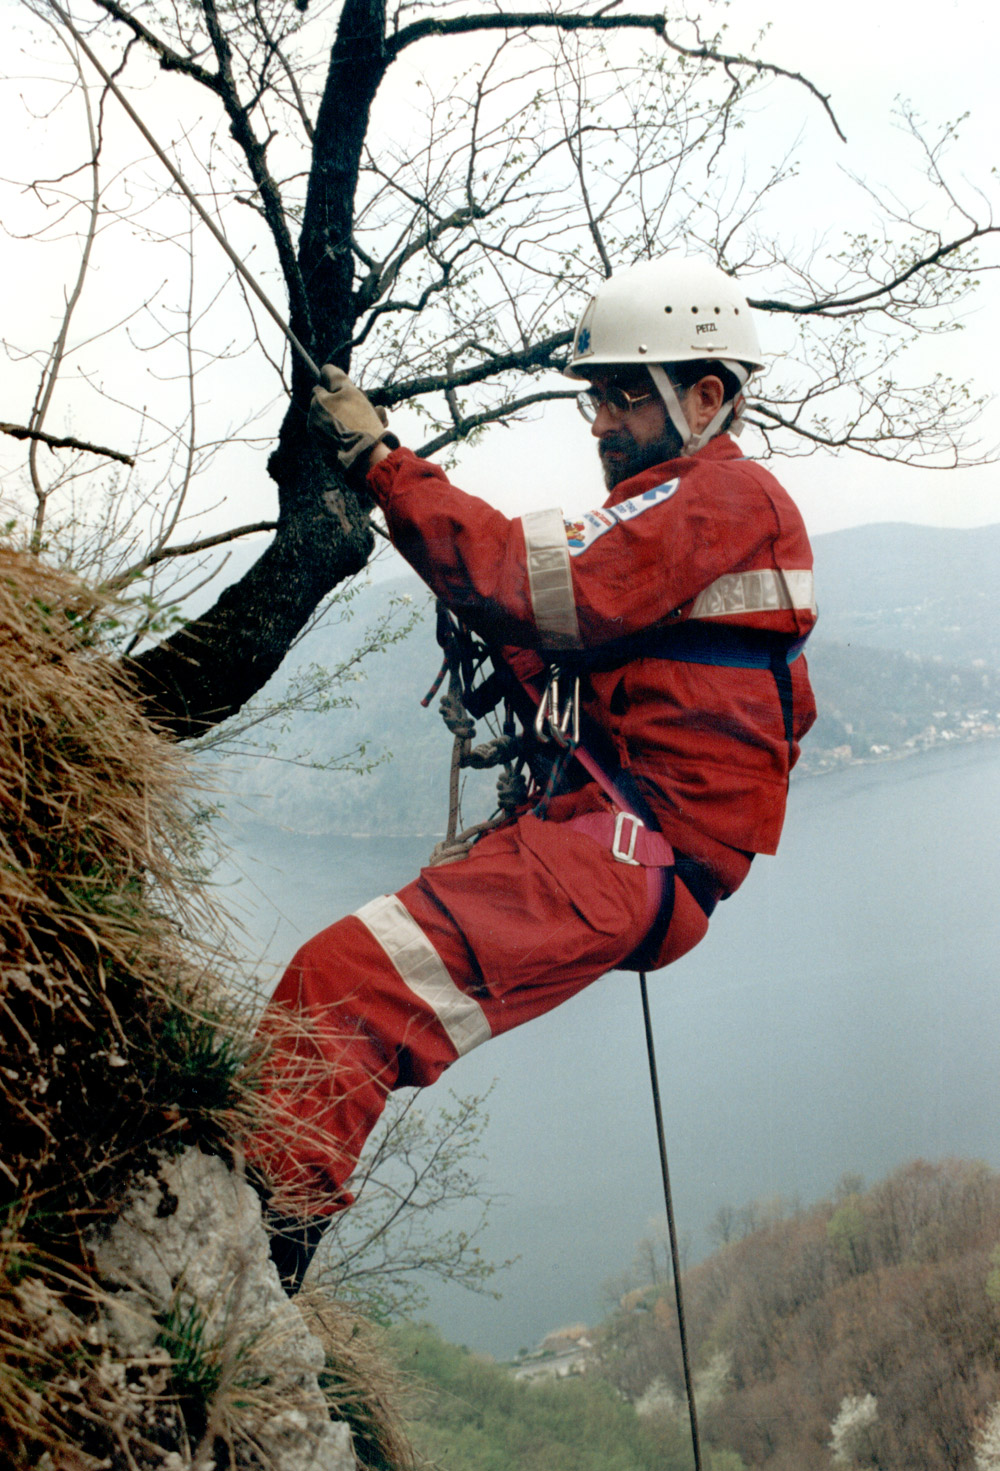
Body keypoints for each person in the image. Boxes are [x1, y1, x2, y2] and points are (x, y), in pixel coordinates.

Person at [251, 256, 818, 1291]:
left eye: (621, 395)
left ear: (706, 398)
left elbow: (533, 583)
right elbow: (715, 687)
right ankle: (261, 1241)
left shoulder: (719, 496)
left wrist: (383, 459)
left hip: (616, 854)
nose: (598, 419)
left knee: (343, 987)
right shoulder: (702, 513)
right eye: (592, 396)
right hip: (627, 847)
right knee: (344, 987)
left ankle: (249, 1260)